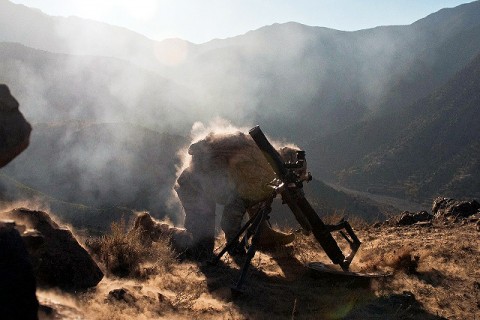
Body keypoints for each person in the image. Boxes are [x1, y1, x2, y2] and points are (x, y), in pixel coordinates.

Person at [174, 130, 298, 256]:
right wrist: (233, 245)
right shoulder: (254, 167)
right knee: (201, 248)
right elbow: (232, 213)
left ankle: (264, 236)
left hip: (203, 184)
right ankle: (161, 231)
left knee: (256, 195)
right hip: (193, 188)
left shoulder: (261, 154)